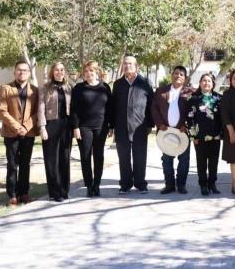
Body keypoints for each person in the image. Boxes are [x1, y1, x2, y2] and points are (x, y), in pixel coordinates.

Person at [0, 60, 39, 206]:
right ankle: (13, 194)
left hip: (28, 133)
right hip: (11, 133)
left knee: (25, 164)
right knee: (12, 164)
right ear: (14, 71)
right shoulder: (6, 88)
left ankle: (24, 193)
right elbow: (3, 111)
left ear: (29, 73)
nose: (22, 73)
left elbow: (37, 112)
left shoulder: (35, 90)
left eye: (25, 70)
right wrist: (17, 127)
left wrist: (26, 127)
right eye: (19, 70)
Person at [71, 61, 113, 198]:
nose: (89, 74)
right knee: (85, 156)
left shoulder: (105, 87)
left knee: (99, 156)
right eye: (86, 71)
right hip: (84, 127)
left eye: (91, 71)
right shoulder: (78, 88)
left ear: (97, 72)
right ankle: (89, 185)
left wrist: (111, 126)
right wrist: (75, 127)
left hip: (101, 127)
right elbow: (74, 109)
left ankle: (97, 185)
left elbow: (110, 108)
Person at [112, 55, 154, 194]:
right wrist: (111, 126)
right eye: (125, 64)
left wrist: (150, 125)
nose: (127, 66)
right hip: (121, 126)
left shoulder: (145, 82)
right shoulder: (118, 84)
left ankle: (140, 183)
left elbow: (151, 105)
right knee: (123, 157)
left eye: (130, 64)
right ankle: (125, 184)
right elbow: (113, 106)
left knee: (140, 156)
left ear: (136, 67)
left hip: (140, 126)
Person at [152, 66, 192, 195]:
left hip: (182, 131)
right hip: (165, 131)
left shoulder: (190, 92)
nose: (178, 76)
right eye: (176, 73)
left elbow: (193, 111)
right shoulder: (161, 91)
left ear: (185, 78)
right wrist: (159, 124)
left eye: (181, 74)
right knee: (167, 160)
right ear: (171, 75)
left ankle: (181, 185)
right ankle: (169, 185)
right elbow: (154, 108)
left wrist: (186, 124)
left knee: (184, 160)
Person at [37, 62, 72, 202]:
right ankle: (54, 191)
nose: (59, 72)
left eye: (62, 70)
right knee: (52, 160)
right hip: (51, 125)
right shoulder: (45, 88)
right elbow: (40, 108)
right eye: (57, 70)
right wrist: (42, 127)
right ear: (52, 72)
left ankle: (64, 190)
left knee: (65, 158)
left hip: (66, 126)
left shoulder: (69, 87)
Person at [187, 73, 223, 196]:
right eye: (204, 81)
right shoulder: (194, 98)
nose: (206, 83)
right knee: (201, 162)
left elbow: (223, 118)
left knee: (214, 162)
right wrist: (193, 136)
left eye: (209, 81)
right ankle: (203, 185)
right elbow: (190, 118)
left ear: (213, 84)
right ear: (200, 83)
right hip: (200, 136)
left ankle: (212, 184)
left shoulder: (219, 98)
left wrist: (222, 133)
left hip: (215, 136)